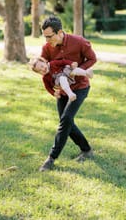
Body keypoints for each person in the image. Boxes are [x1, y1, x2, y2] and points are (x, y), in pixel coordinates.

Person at [39, 15, 97, 171]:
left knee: (66, 119)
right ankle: (86, 150)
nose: (47, 40)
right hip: (62, 90)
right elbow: (44, 69)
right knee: (66, 122)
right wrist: (53, 87)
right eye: (45, 37)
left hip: (80, 87)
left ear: (60, 32)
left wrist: (77, 72)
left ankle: (51, 158)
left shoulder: (78, 42)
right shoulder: (46, 48)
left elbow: (92, 58)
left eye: (49, 36)